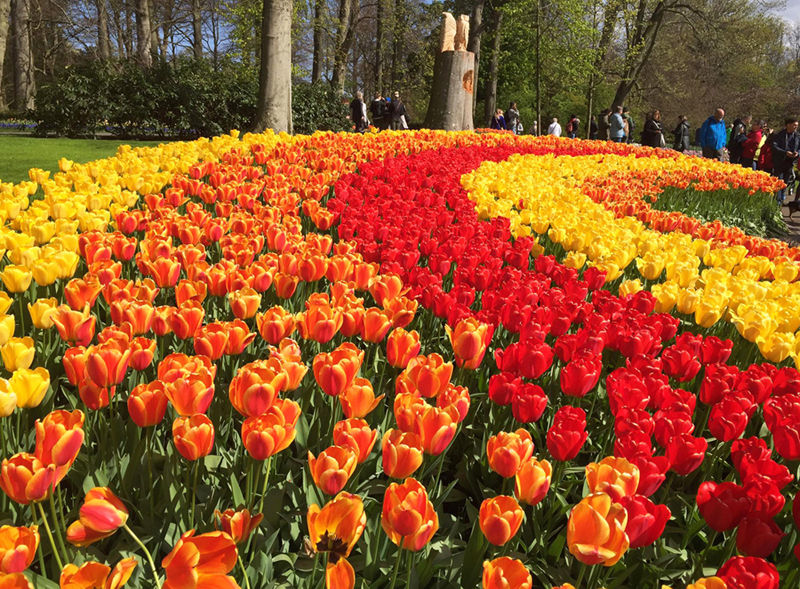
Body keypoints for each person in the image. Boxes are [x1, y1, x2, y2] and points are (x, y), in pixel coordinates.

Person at [772, 117, 800, 205]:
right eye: (794, 125)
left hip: (790, 162)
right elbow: (774, 146)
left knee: (785, 183)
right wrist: (785, 152)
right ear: (788, 125)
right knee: (778, 182)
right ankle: (776, 201)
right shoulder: (779, 135)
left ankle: (781, 200)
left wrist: (797, 153)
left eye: (797, 125)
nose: (796, 127)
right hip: (780, 162)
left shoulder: (797, 136)